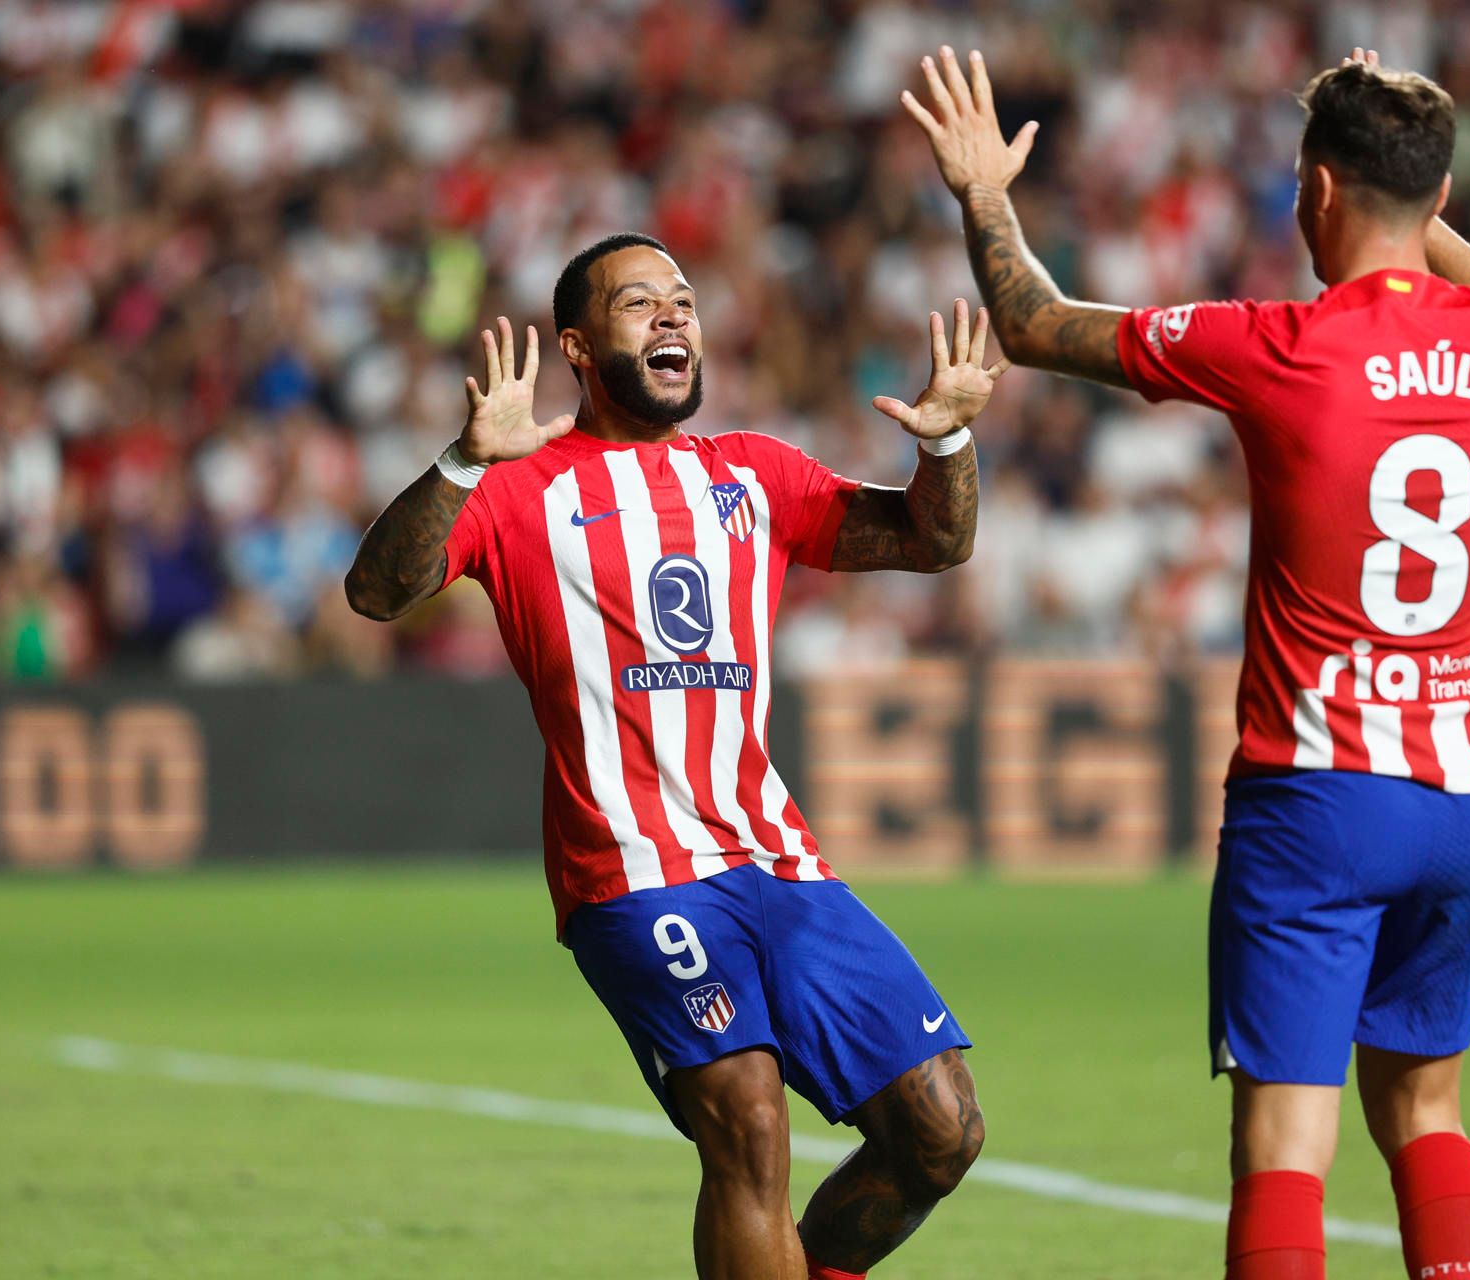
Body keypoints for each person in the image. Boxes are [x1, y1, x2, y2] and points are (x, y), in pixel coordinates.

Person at [906, 44, 1470, 1280]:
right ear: (1432, 195)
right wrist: (1412, 190)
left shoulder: (1282, 343)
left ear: (1315, 192)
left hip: (1319, 796)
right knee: (1427, 1113)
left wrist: (984, 192)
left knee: (1283, 1151)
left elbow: (1034, 324)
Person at [344, 233, 1008, 1280]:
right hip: (633, 872)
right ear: (575, 344)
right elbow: (378, 590)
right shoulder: (523, 490)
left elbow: (932, 540)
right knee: (747, 1119)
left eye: (685, 302)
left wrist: (947, 444)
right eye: (639, 302)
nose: (672, 318)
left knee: (941, 1127)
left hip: (777, 861)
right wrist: (466, 460)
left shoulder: (752, 472)